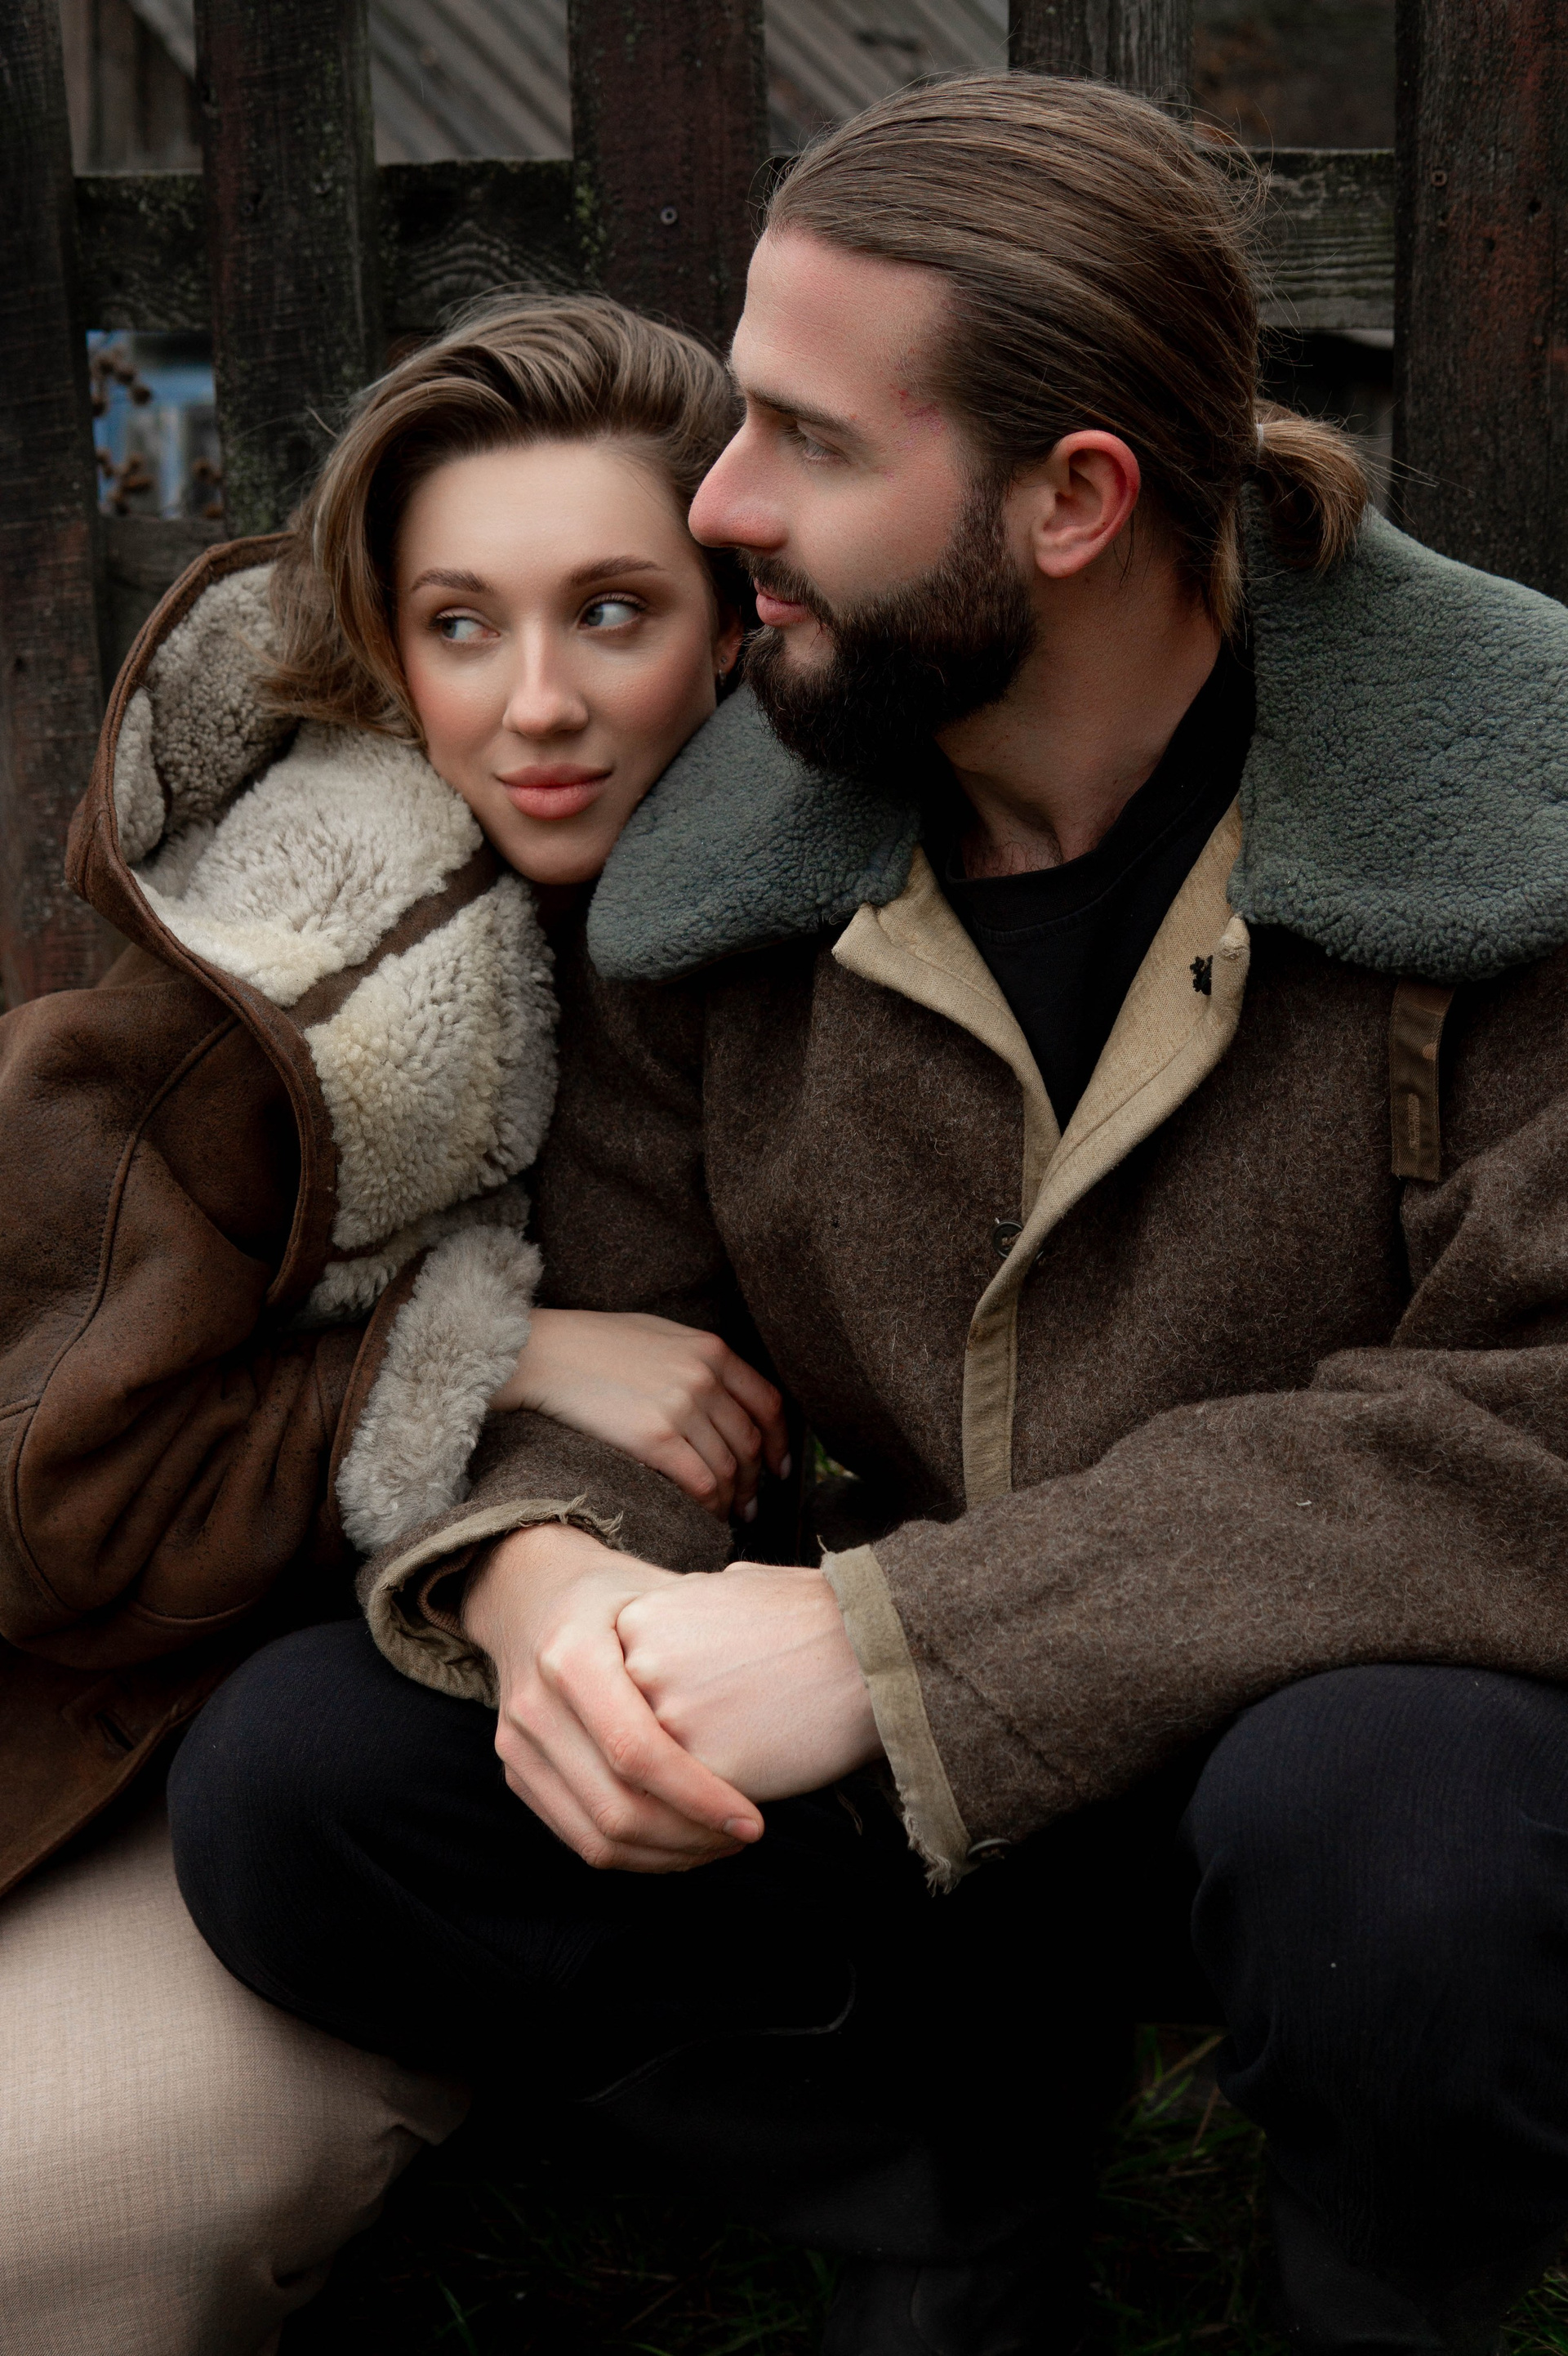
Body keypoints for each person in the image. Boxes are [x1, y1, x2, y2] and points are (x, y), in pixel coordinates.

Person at [172, 73, 1568, 2356]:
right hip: (905, 1798)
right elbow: (630, 1321)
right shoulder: (732, 847)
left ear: (1075, 498)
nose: (723, 500)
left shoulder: (1521, 820)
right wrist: (543, 1571)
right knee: (303, 1785)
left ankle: (1377, 2298)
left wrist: (891, 1640)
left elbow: (1538, 1423)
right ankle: (942, 2184)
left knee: (1401, 1831)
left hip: (1320, 1737)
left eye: (809, 443)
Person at [0, 295, 791, 2355]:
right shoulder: (288, 973)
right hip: (110, 1733)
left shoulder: (828, 926)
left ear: (733, 626)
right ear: (387, 647)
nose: (537, 703)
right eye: (461, 624)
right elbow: (45, 1485)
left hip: (412, 1760)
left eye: (611, 612)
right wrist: (474, 1350)